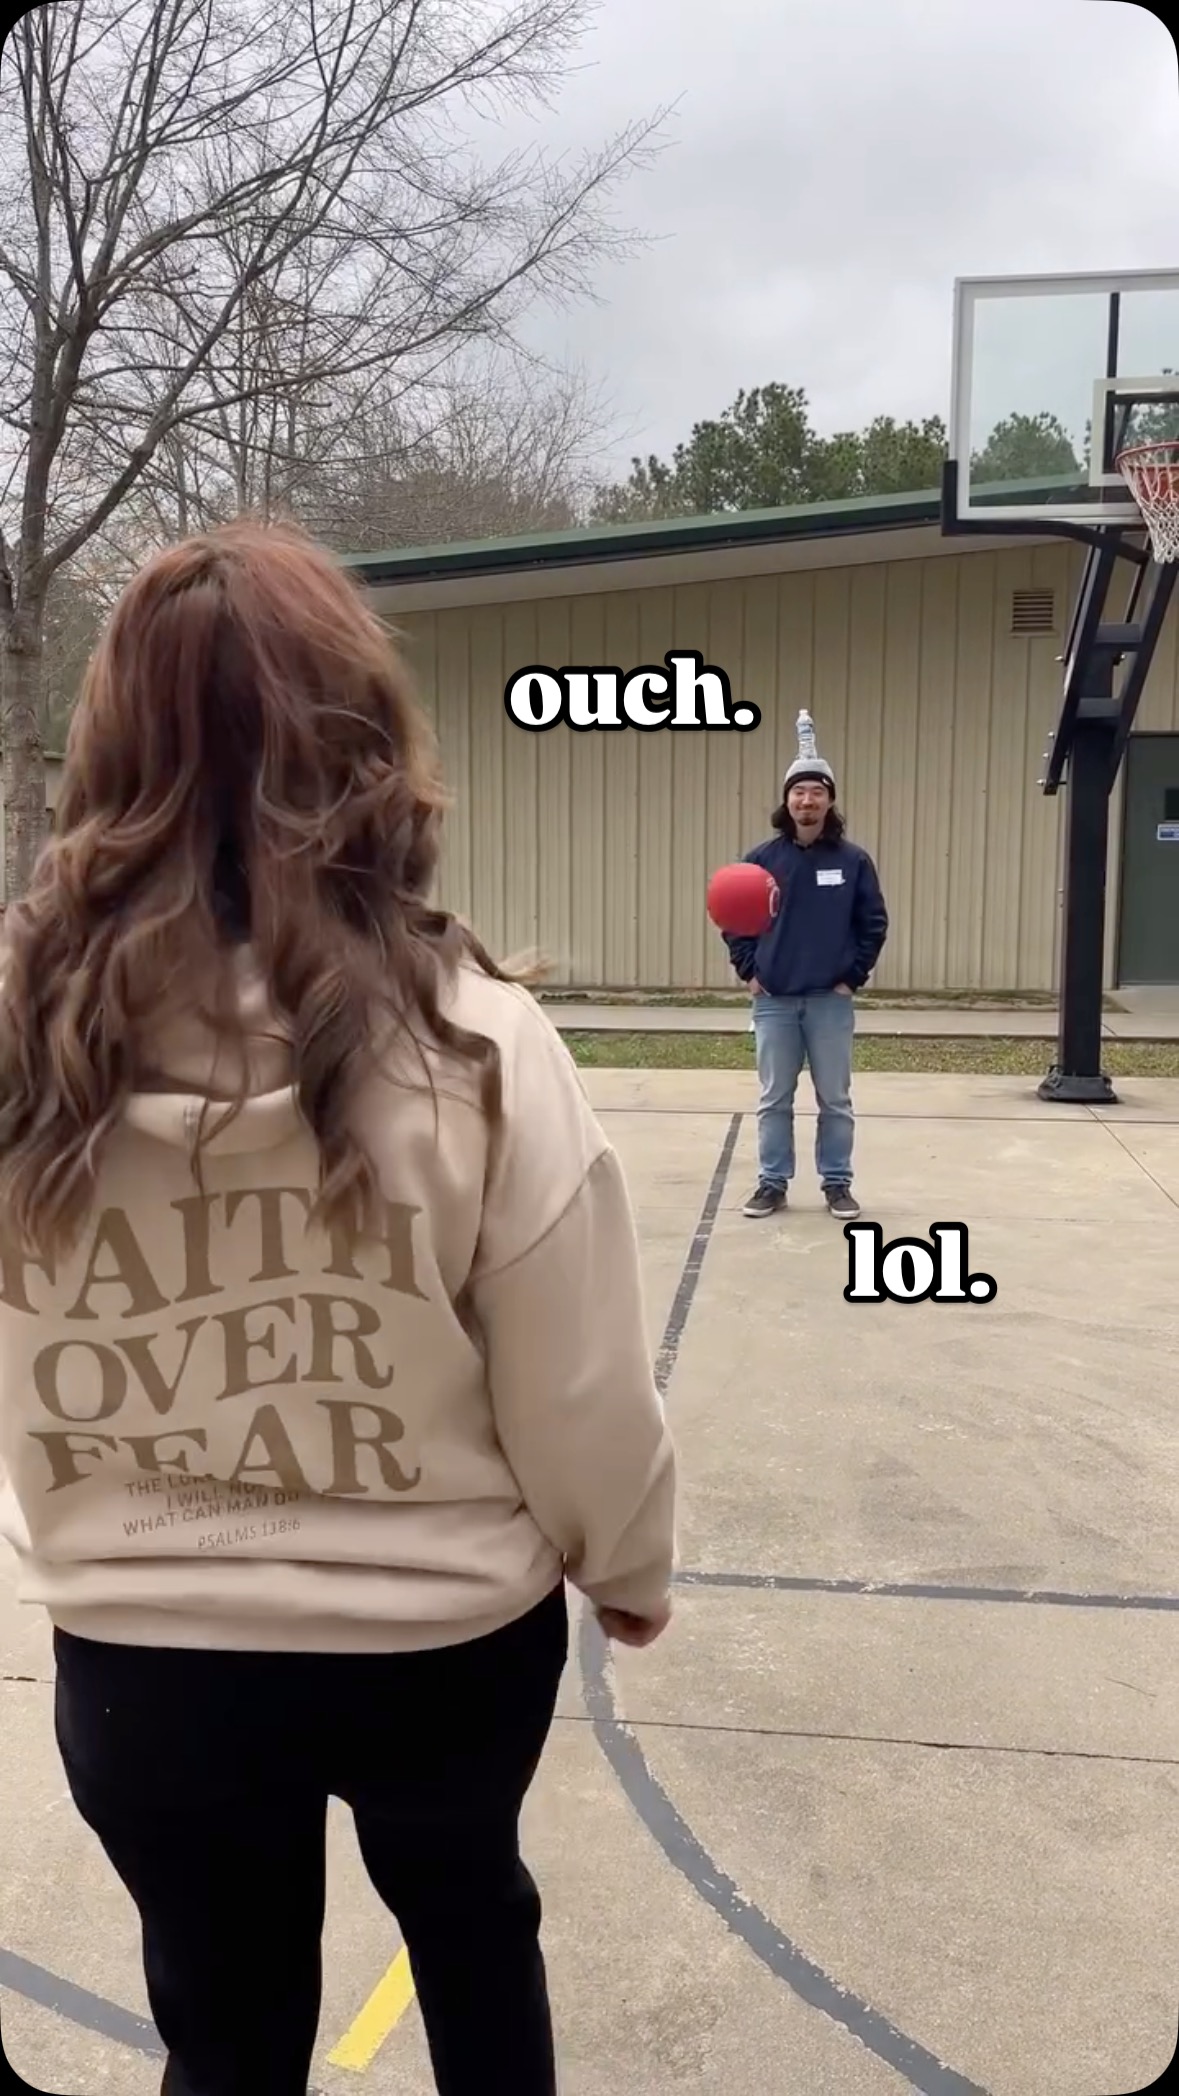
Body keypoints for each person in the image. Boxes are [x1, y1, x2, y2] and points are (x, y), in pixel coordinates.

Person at [0, 519, 676, 2096]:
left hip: (143, 1648)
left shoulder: (27, 1043)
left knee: (224, 2030)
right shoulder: (475, 1044)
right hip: (438, 1639)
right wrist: (624, 1561)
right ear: (363, 744)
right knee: (474, 1934)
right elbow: (575, 1379)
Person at [722, 710, 888, 1224]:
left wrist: (851, 978)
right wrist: (750, 971)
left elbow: (873, 923)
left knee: (834, 1099)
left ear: (830, 801)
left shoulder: (852, 861)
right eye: (799, 791)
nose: (807, 800)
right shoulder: (761, 860)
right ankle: (772, 1183)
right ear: (787, 800)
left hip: (828, 1003)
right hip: (774, 1000)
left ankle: (837, 1183)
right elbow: (734, 919)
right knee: (774, 1098)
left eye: (817, 791)